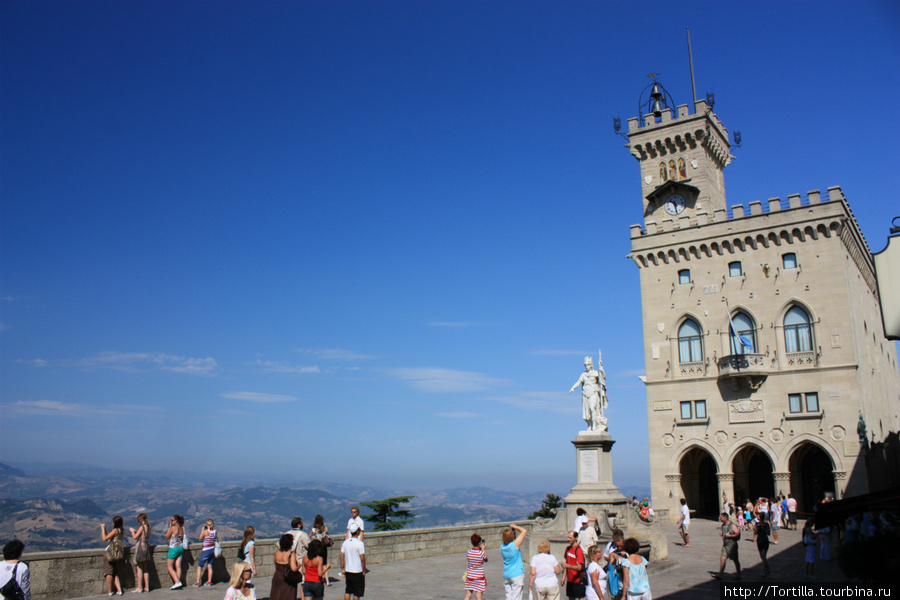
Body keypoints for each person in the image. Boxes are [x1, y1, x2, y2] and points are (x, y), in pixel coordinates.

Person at [569, 355, 607, 431]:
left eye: (588, 365)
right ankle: (590, 424)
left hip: (593, 393)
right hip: (585, 394)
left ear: (591, 365)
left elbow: (603, 378)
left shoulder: (596, 373)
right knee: (588, 411)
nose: (586, 366)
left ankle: (594, 426)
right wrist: (573, 388)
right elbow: (578, 382)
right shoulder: (583, 374)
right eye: (585, 365)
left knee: (592, 408)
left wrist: (601, 369)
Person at [269, 533, 301, 600]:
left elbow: (275, 563)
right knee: (287, 595)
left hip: (277, 576)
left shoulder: (277, 552)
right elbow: (293, 568)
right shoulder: (291, 554)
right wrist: (299, 565)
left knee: (277, 595)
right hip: (287, 578)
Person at [500, 524, 527, 600]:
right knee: (516, 597)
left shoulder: (502, 547)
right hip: (516, 574)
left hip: (507, 574)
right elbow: (524, 531)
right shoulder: (515, 545)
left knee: (508, 596)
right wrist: (515, 527)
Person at [712, 512, 741, 581]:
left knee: (735, 560)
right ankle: (720, 574)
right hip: (725, 545)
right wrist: (722, 533)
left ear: (725, 518)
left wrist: (730, 536)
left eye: (721, 517)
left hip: (732, 545)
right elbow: (724, 533)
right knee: (722, 559)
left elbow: (737, 533)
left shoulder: (732, 526)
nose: (720, 518)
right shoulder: (723, 525)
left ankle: (738, 574)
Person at [101, 515, 125, 596]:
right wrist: (106, 530)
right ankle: (119, 590)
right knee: (115, 572)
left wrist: (102, 528)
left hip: (110, 553)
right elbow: (110, 536)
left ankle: (110, 591)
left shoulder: (115, 530)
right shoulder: (121, 530)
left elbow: (104, 539)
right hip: (117, 553)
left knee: (109, 572)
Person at [341, 523, 366, 600]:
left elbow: (342, 556)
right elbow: (362, 558)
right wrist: (364, 569)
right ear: (357, 532)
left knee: (348, 590)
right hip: (357, 571)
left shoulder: (345, 543)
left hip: (348, 570)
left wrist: (342, 568)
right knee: (357, 592)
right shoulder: (360, 543)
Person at [129, 513, 151, 593]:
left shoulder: (142, 527)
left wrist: (132, 531)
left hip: (140, 549)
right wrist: (136, 531)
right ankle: (147, 586)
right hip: (146, 548)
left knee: (139, 568)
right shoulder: (148, 527)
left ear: (141, 520)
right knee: (145, 568)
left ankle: (139, 587)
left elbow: (135, 537)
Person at [561, 531, 585, 600]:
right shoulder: (567, 549)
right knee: (570, 598)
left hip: (577, 580)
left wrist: (567, 566)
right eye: (568, 537)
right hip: (570, 580)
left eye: (570, 538)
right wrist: (563, 577)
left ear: (576, 538)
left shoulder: (578, 550)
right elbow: (566, 563)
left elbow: (579, 567)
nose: (568, 539)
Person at [193, 518, 218, 587]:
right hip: (212, 550)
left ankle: (197, 582)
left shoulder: (206, 532)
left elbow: (200, 539)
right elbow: (216, 539)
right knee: (210, 566)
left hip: (206, 550)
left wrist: (202, 531)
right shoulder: (215, 531)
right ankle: (209, 581)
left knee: (199, 566)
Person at [463, 533, 488, 600]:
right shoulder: (481, 553)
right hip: (479, 577)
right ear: (479, 543)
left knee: (468, 595)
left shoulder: (468, 552)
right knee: (478, 596)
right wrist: (483, 549)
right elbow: (486, 559)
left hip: (470, 576)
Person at [310, 515, 332, 584]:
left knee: (317, 563)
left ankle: (318, 578)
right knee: (324, 563)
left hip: (317, 547)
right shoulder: (325, 528)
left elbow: (309, 537)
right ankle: (327, 581)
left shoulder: (314, 529)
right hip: (324, 547)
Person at [165, 514, 185, 589]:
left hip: (173, 549)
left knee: (170, 567)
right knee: (178, 566)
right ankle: (178, 582)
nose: (171, 521)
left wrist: (169, 527)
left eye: (172, 520)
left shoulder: (173, 528)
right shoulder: (182, 528)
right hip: (180, 548)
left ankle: (177, 582)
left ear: (176, 521)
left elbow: (167, 537)